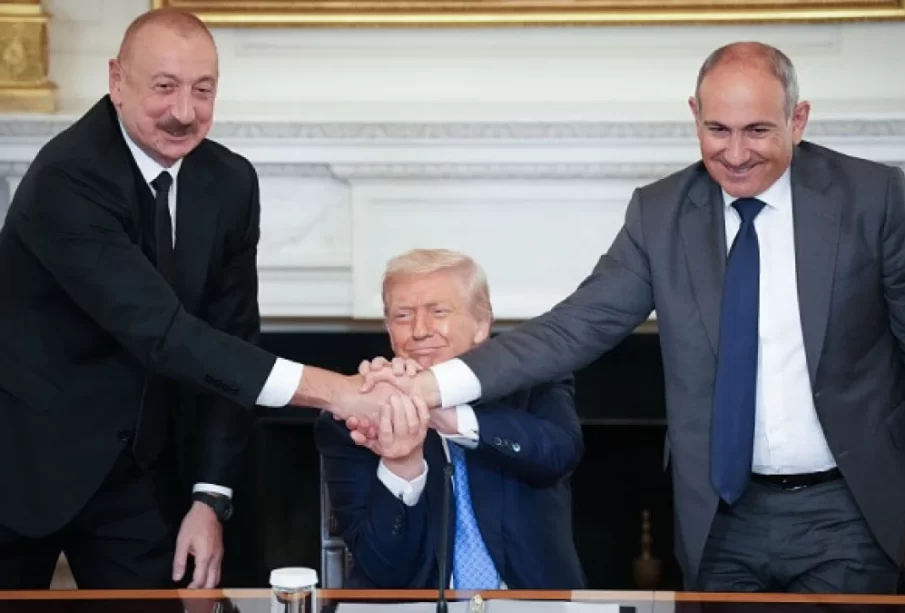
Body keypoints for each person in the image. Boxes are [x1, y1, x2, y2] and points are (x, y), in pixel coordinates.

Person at [355, 42, 905, 594]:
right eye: (718, 130)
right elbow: (574, 327)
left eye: (757, 131)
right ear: (694, 115)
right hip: (721, 519)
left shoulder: (874, 198)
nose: (736, 154)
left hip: (848, 509)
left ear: (798, 119)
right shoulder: (660, 213)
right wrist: (430, 386)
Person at [0, 7, 392, 590]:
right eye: (164, 87)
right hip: (21, 462)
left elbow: (230, 341)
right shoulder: (68, 178)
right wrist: (338, 391)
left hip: (136, 473)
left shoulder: (230, 183)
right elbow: (166, 335)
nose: (184, 112)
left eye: (202, 90)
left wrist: (210, 497)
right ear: (116, 81)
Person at [316, 249, 585, 589]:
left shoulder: (533, 380)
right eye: (403, 316)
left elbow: (559, 453)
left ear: (481, 324)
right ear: (388, 329)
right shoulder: (355, 417)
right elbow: (383, 569)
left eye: (438, 312)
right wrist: (400, 464)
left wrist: (446, 414)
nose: (419, 330)